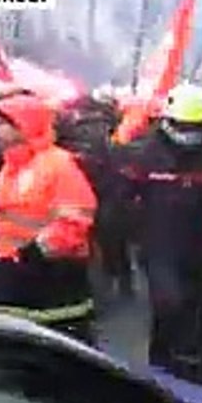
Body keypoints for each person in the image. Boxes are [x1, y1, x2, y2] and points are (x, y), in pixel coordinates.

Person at [0, 93, 99, 342]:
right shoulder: (12, 166)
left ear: (24, 126)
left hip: (51, 285)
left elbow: (75, 219)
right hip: (13, 278)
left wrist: (36, 252)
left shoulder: (58, 164)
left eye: (2, 124)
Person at [119, 83, 202, 386]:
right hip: (159, 248)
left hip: (200, 250)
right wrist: (134, 235)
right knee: (169, 308)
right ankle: (161, 375)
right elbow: (120, 201)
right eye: (184, 126)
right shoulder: (145, 154)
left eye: (197, 127)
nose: (190, 133)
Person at [56, 96, 134, 300]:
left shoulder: (66, 122)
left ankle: (115, 278)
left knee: (102, 234)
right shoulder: (110, 122)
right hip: (99, 184)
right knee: (109, 235)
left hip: (95, 184)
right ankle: (118, 278)